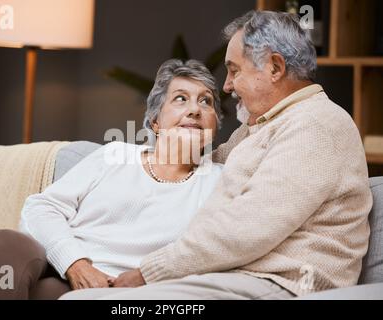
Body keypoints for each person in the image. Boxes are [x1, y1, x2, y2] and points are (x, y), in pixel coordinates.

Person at [61, 10, 373, 300]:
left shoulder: (314, 125)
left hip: (284, 283)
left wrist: (148, 272)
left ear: (275, 68)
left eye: (234, 70)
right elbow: (209, 165)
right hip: (242, 276)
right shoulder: (264, 125)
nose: (226, 86)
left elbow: (248, 230)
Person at [0, 59, 224, 300]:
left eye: (206, 102)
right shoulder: (114, 155)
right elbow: (40, 209)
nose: (195, 110)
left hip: (118, 293)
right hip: (59, 267)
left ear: (214, 126)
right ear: (155, 121)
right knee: (2, 243)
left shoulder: (219, 182)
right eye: (181, 99)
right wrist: (76, 263)